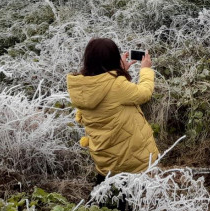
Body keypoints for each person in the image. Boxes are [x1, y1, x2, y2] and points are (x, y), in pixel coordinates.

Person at [67, 38, 159, 182]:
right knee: (132, 198)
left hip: (104, 159)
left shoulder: (82, 86)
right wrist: (145, 70)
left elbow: (106, 89)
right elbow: (144, 93)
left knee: (107, 198)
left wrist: (119, 72)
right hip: (130, 161)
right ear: (113, 58)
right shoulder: (117, 85)